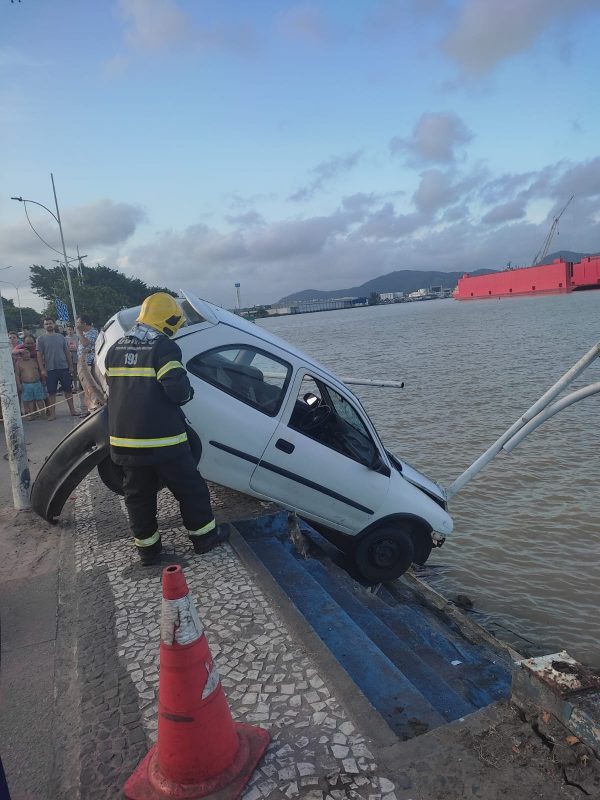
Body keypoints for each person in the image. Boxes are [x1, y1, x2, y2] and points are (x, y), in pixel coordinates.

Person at [105, 292, 228, 565]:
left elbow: (116, 388)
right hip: (163, 441)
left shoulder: (117, 349)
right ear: (168, 320)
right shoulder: (163, 348)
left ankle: (148, 551)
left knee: (138, 497)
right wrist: (187, 393)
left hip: (125, 441)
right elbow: (177, 391)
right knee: (191, 489)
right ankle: (204, 537)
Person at [36, 318, 78, 420]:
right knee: (51, 392)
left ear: (54, 324)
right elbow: (39, 355)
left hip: (63, 368)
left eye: (50, 323)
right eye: (46, 324)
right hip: (50, 370)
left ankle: (72, 410)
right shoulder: (40, 339)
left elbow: (67, 352)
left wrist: (71, 366)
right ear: (44, 326)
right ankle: (52, 414)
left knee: (68, 390)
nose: (48, 325)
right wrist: (42, 369)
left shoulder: (61, 337)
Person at [76, 314, 105, 412]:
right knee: (86, 387)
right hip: (82, 362)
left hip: (87, 363)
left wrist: (79, 332)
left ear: (84, 323)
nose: (77, 325)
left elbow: (85, 343)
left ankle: (95, 407)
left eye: (78, 323)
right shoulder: (85, 333)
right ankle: (90, 407)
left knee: (90, 386)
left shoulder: (93, 332)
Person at [15, 346, 46, 419]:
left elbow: (40, 371)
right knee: (30, 400)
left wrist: (43, 380)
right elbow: (17, 375)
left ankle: (43, 413)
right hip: (26, 385)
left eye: (27, 353)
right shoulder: (19, 363)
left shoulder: (34, 361)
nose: (26, 355)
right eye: (24, 354)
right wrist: (19, 384)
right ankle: (32, 414)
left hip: (37, 383)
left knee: (40, 399)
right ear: (21, 355)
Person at [65, 323, 79, 389]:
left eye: (71, 330)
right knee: (72, 372)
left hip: (77, 357)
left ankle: (80, 385)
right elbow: (65, 349)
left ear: (73, 330)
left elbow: (79, 347)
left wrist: (76, 349)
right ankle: (74, 386)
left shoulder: (77, 337)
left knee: (78, 372)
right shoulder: (65, 339)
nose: (70, 331)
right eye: (68, 330)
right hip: (69, 358)